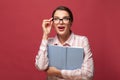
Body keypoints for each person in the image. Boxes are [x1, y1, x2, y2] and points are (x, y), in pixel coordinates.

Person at [35, 6, 94, 80]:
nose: (60, 22)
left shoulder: (82, 41)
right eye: (56, 19)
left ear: (71, 22)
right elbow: (41, 66)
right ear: (52, 23)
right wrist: (45, 35)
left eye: (65, 18)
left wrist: (58, 72)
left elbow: (88, 74)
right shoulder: (48, 42)